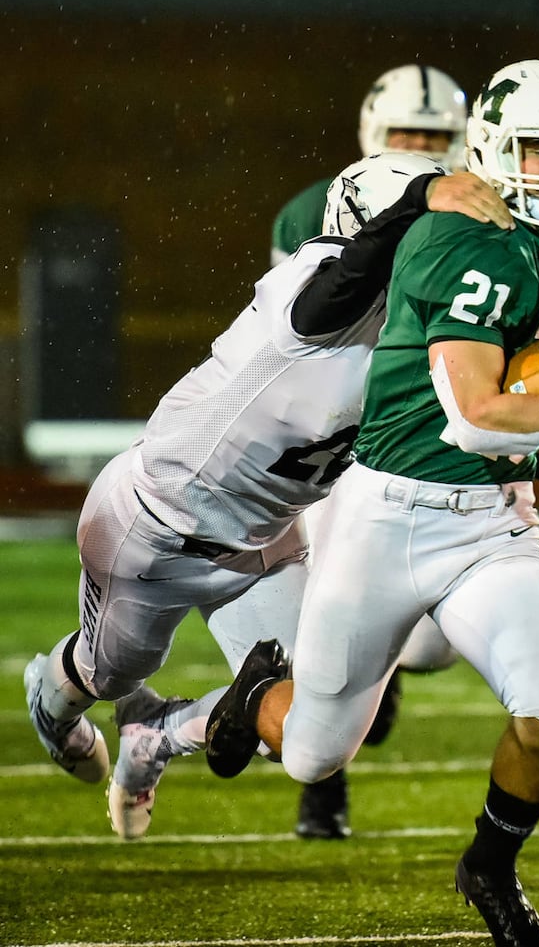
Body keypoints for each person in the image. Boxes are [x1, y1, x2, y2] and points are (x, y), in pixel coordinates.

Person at [202, 59, 539, 947]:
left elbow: (515, 428)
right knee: (314, 753)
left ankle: (490, 867)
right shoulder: (464, 240)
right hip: (386, 511)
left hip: (489, 521)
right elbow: (477, 414)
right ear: (494, 148)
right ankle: (256, 695)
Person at [20, 152, 513, 839]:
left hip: (266, 540)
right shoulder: (313, 287)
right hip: (157, 526)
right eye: (426, 240)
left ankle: (154, 736)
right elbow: (345, 284)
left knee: (306, 718)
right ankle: (52, 699)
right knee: (107, 674)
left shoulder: (418, 335)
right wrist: (425, 196)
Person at [271, 62, 471, 837]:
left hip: (431, 434)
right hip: (344, 435)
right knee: (326, 617)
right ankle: (321, 790)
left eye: (434, 139)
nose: (419, 151)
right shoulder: (317, 210)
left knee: (427, 650)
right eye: (405, 138)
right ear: (371, 138)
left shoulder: (486, 216)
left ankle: (379, 687)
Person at [271, 64, 469, 264]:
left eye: (434, 133)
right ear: (373, 132)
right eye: (406, 130)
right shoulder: (314, 208)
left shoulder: (472, 201)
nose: (421, 142)